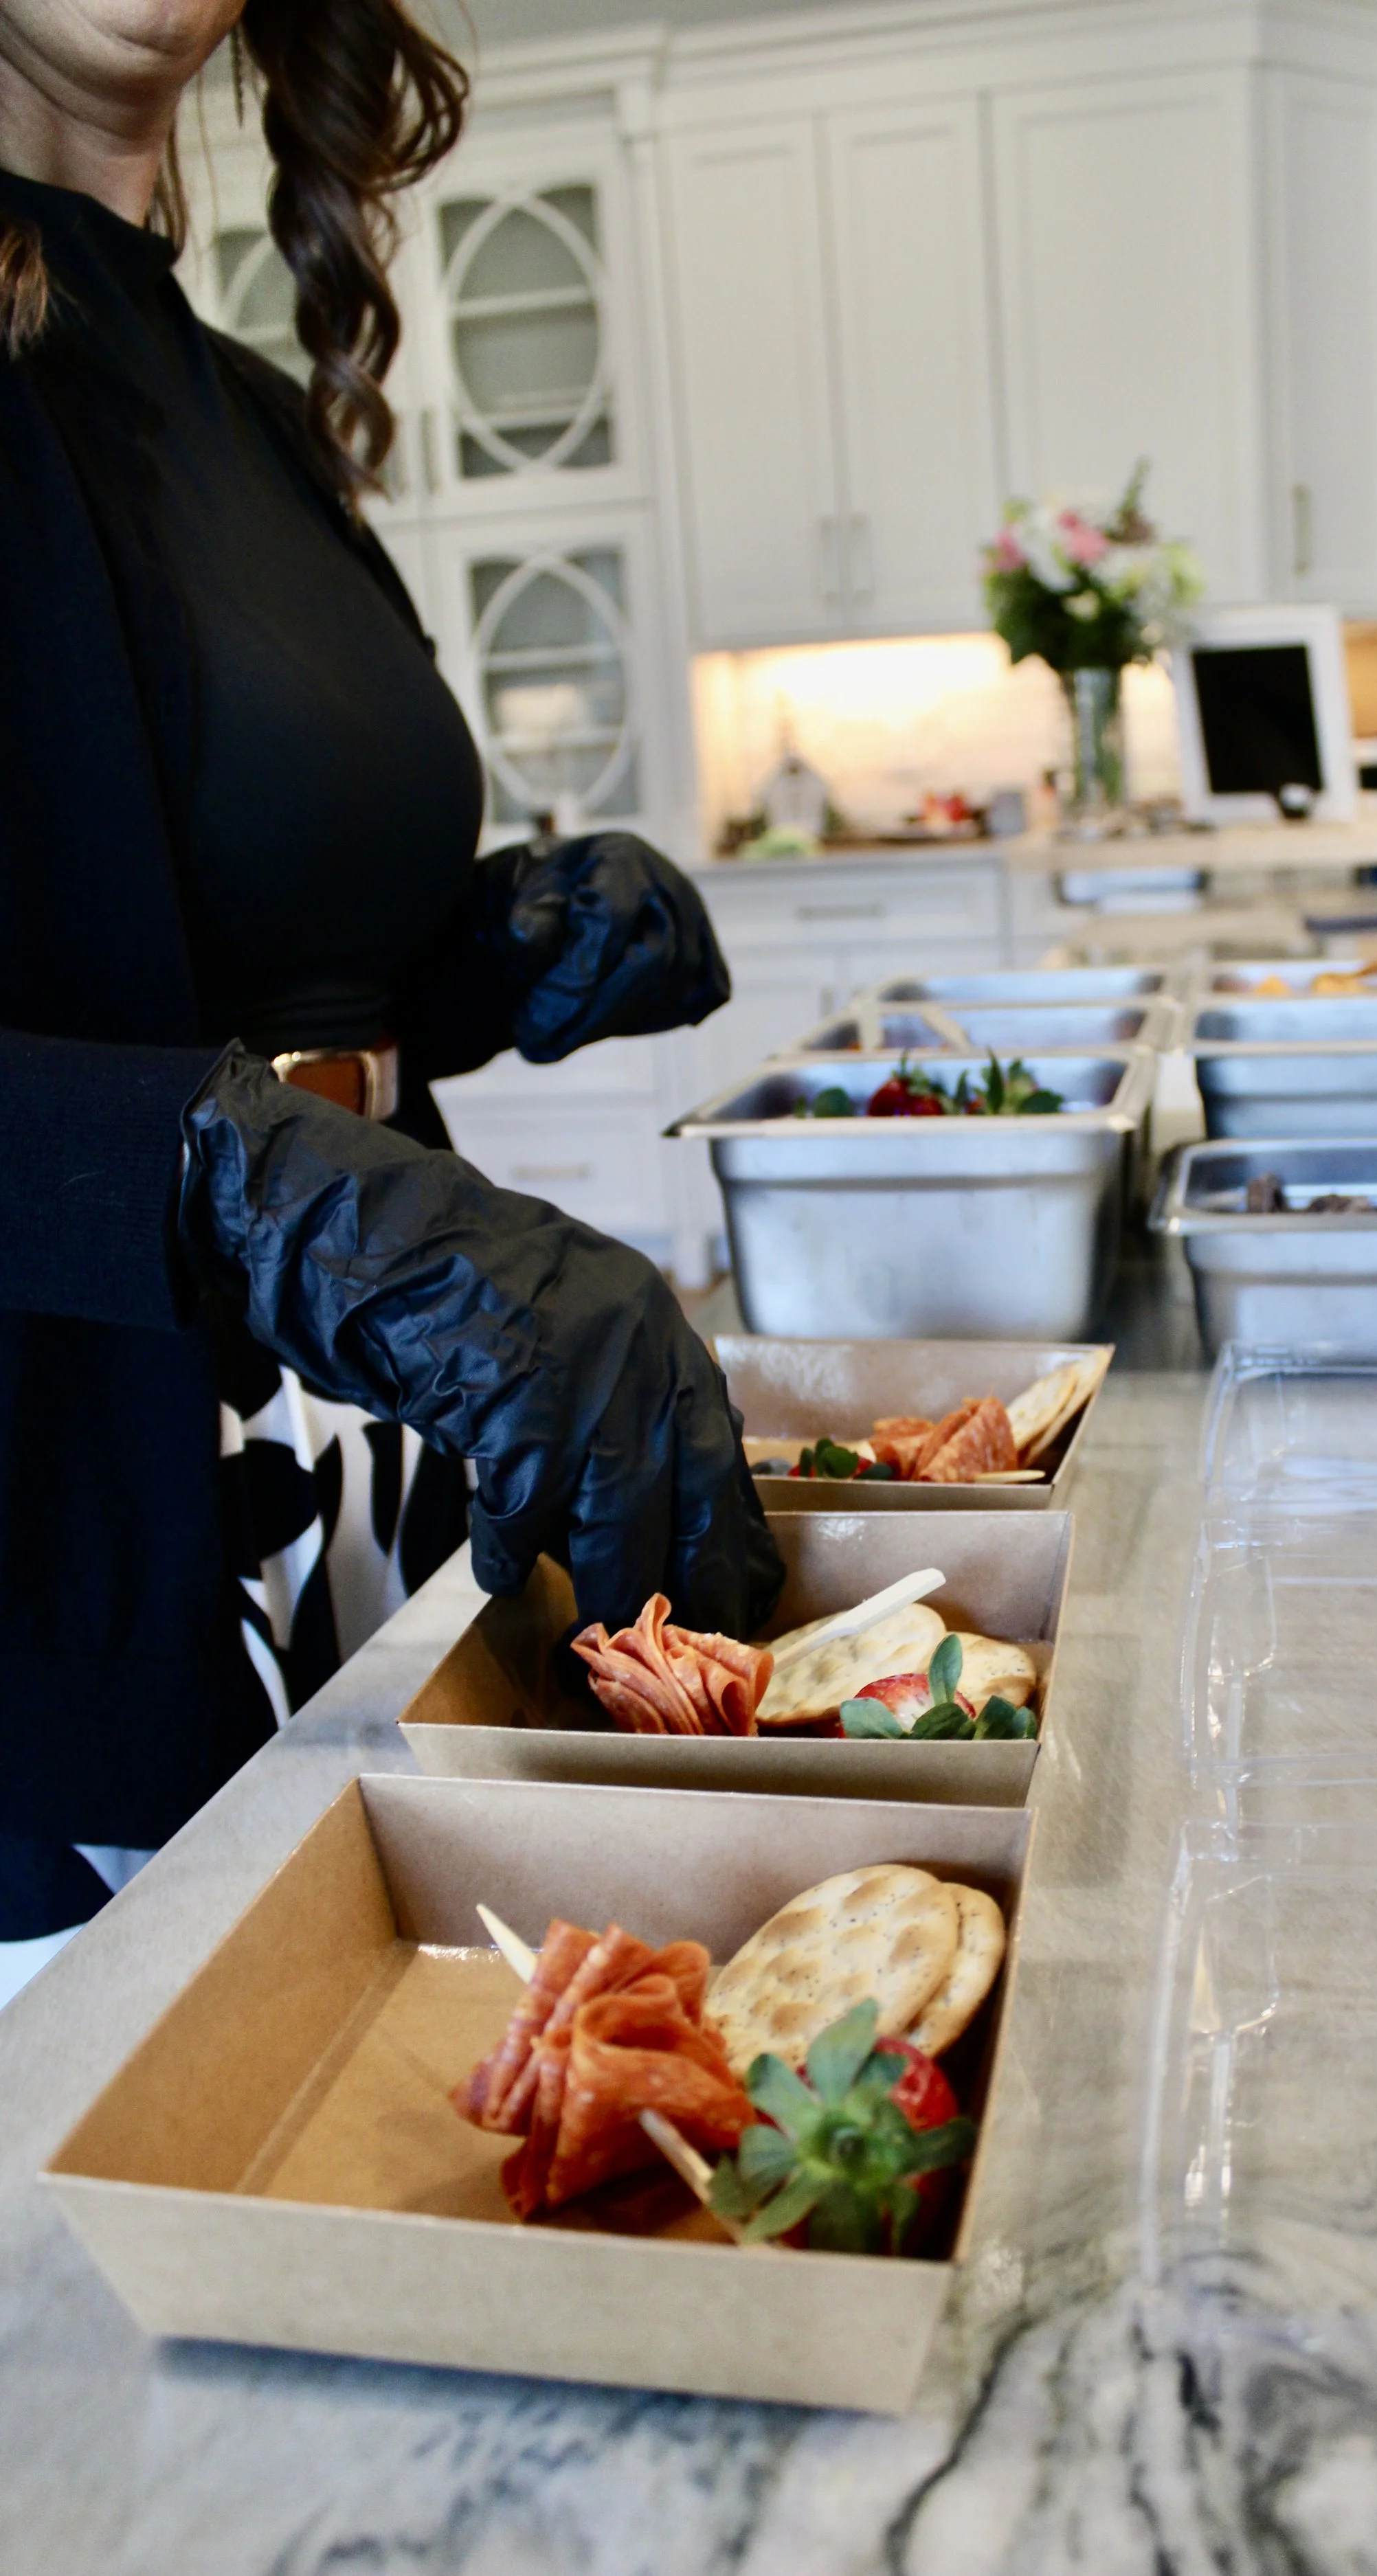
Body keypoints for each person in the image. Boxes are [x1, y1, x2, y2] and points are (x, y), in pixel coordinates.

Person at [0, 0, 782, 1978]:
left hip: (345, 1510)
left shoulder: (246, 410)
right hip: (48, 1574)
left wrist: (490, 953)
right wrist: (248, 1186)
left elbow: (179, 944)